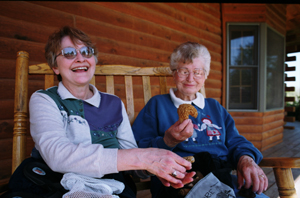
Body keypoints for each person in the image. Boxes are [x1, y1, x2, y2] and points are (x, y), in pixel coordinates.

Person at [7, 26, 195, 198]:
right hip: (54, 182)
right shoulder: (45, 99)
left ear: (94, 60)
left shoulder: (113, 103)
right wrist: (142, 158)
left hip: (109, 184)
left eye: (86, 52)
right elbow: (58, 156)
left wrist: (156, 168)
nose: (80, 58)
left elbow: (131, 158)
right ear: (55, 66)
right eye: (69, 53)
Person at [132, 42, 269, 198]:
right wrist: (167, 142)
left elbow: (236, 141)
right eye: (184, 71)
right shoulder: (157, 105)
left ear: (205, 75)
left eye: (198, 72)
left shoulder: (214, 107)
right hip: (179, 183)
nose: (190, 78)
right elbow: (138, 150)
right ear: (174, 73)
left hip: (222, 179)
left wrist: (246, 159)